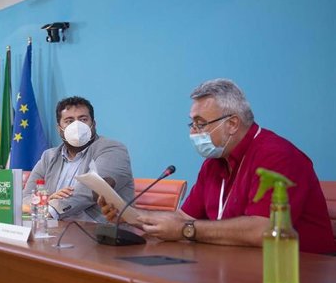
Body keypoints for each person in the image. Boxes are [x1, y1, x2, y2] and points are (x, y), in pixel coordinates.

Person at [99, 78, 334, 254]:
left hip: (300, 272)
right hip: (235, 267)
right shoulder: (214, 163)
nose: (193, 132)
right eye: (191, 123)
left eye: (200, 124)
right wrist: (134, 217)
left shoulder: (278, 156)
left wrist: (187, 230)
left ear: (232, 123)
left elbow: (264, 230)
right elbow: (182, 218)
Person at [23, 96, 134, 223]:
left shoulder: (112, 149)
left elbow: (96, 188)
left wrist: (51, 208)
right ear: (59, 128)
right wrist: (46, 200)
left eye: (83, 119)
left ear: (93, 124)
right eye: (69, 121)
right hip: (55, 230)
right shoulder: (48, 157)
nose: (77, 126)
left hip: (98, 233)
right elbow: (25, 198)